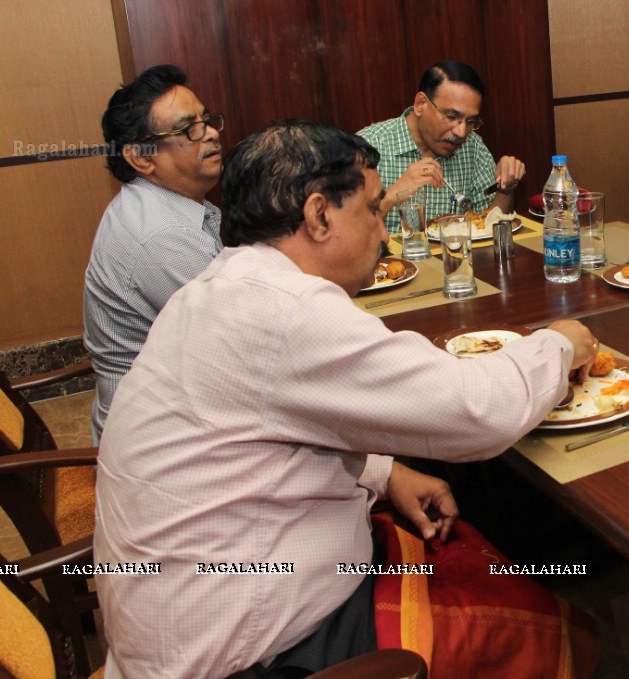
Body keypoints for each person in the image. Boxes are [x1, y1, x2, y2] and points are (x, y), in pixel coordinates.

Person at [94, 120, 600, 679]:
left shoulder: (221, 287)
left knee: (472, 549)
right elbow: (475, 411)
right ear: (318, 215)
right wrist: (559, 344)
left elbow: (269, 424)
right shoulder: (284, 310)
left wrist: (384, 474)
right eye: (375, 212)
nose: (383, 235)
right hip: (242, 648)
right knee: (531, 620)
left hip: (177, 611)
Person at [83, 64, 224, 442]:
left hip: (169, 408)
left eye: (206, 120)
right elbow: (239, 339)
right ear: (142, 158)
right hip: (156, 441)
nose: (210, 133)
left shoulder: (160, 206)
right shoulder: (162, 235)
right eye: (188, 129)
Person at [358, 60, 525, 227]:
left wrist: (506, 188)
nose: (461, 132)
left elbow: (489, 224)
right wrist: (393, 194)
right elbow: (347, 234)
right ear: (420, 104)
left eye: (471, 121)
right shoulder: (367, 148)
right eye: (451, 117)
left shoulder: (472, 147)